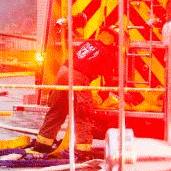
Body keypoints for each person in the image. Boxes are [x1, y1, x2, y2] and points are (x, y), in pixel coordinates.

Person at [31, 23, 130, 161]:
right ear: (113, 39)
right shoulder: (107, 52)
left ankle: (42, 145)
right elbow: (107, 77)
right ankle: (83, 151)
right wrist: (109, 94)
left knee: (57, 110)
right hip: (79, 78)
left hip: (62, 73)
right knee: (83, 114)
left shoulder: (89, 42)